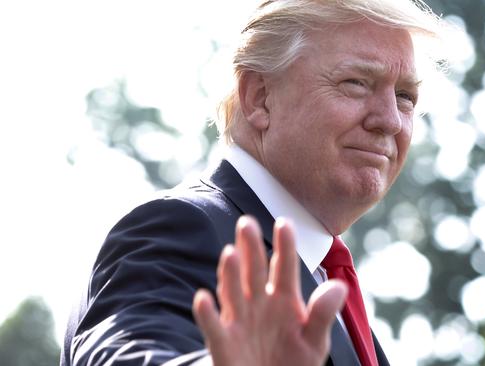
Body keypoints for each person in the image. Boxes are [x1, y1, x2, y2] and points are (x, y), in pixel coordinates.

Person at [61, 1, 443, 365]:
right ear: (260, 98)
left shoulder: (326, 283)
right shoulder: (181, 228)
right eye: (357, 82)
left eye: (405, 96)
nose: (390, 120)